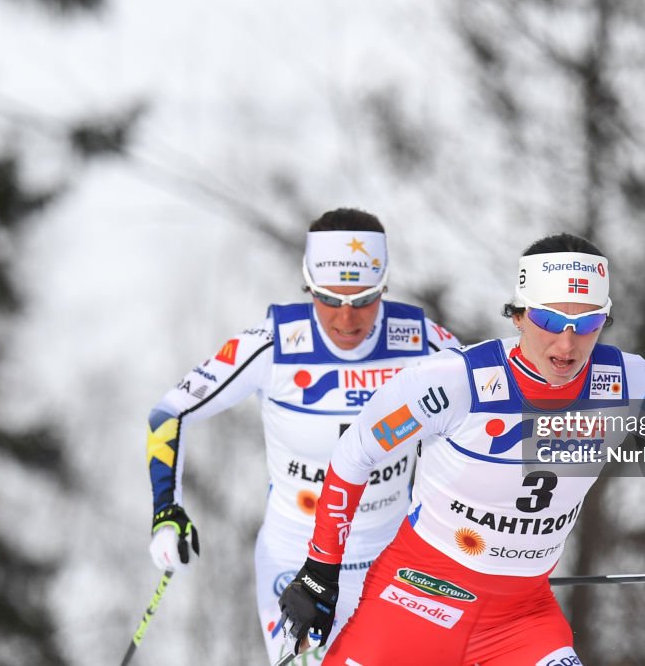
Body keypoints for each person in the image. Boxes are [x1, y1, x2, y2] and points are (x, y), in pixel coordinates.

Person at [278, 233, 645, 665]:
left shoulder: (625, 383)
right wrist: (319, 572)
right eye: (549, 322)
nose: (566, 345)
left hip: (520, 622)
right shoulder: (452, 383)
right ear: (518, 315)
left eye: (585, 325)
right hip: (412, 601)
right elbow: (354, 457)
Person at [144, 208, 461, 663]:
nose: (347, 319)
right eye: (330, 299)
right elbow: (168, 413)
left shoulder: (422, 344)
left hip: (395, 559)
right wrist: (165, 511)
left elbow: (498, 414)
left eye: (365, 298)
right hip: (296, 560)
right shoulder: (274, 344)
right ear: (308, 284)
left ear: (385, 286)